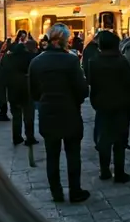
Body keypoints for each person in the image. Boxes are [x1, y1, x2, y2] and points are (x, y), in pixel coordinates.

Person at [28, 23, 90, 203]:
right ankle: (75, 191)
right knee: (73, 153)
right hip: (70, 111)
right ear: (65, 40)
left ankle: (56, 192)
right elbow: (82, 89)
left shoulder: (36, 62)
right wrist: (76, 99)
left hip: (48, 113)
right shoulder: (71, 60)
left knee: (52, 155)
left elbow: (33, 92)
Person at [87, 30, 130, 183]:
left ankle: (104, 170)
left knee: (104, 139)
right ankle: (119, 172)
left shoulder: (94, 62)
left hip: (102, 105)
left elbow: (91, 83)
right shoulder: (122, 61)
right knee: (120, 139)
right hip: (122, 105)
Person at [0, 35, 37, 146]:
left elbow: (2, 76)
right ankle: (29, 137)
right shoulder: (30, 57)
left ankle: (17, 137)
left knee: (16, 114)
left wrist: (3, 92)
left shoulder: (7, 59)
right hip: (27, 89)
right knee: (28, 114)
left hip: (13, 89)